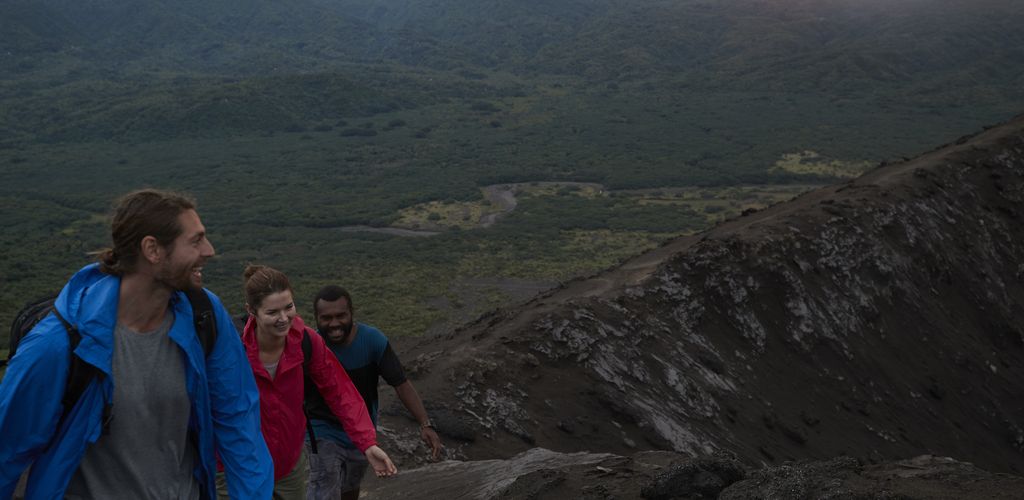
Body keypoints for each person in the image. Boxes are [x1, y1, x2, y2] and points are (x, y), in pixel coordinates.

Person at [0, 189, 273, 499]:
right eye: (195, 241)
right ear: (152, 250)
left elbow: (238, 421)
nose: (208, 251)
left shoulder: (204, 317)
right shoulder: (59, 345)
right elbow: (7, 450)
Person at [225, 266, 396, 500]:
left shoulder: (305, 342)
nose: (284, 318)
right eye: (272, 312)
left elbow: (339, 391)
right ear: (252, 311)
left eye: (289, 307)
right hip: (235, 463)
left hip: (287, 465)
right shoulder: (232, 347)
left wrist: (367, 443)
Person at [306, 285, 443, 500]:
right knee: (326, 484)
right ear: (316, 318)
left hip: (362, 429)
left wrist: (425, 424)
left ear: (352, 312)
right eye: (326, 318)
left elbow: (400, 383)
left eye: (341, 315)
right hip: (322, 428)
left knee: (350, 486)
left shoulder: (372, 341)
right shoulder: (311, 346)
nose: (334, 324)